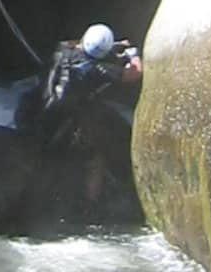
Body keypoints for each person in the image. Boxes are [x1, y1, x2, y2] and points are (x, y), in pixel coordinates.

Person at [14, 23, 144, 205]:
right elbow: (133, 74)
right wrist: (133, 55)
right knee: (95, 159)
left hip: (35, 109)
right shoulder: (96, 69)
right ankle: (90, 203)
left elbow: (78, 46)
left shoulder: (62, 49)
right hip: (57, 122)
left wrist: (114, 45)